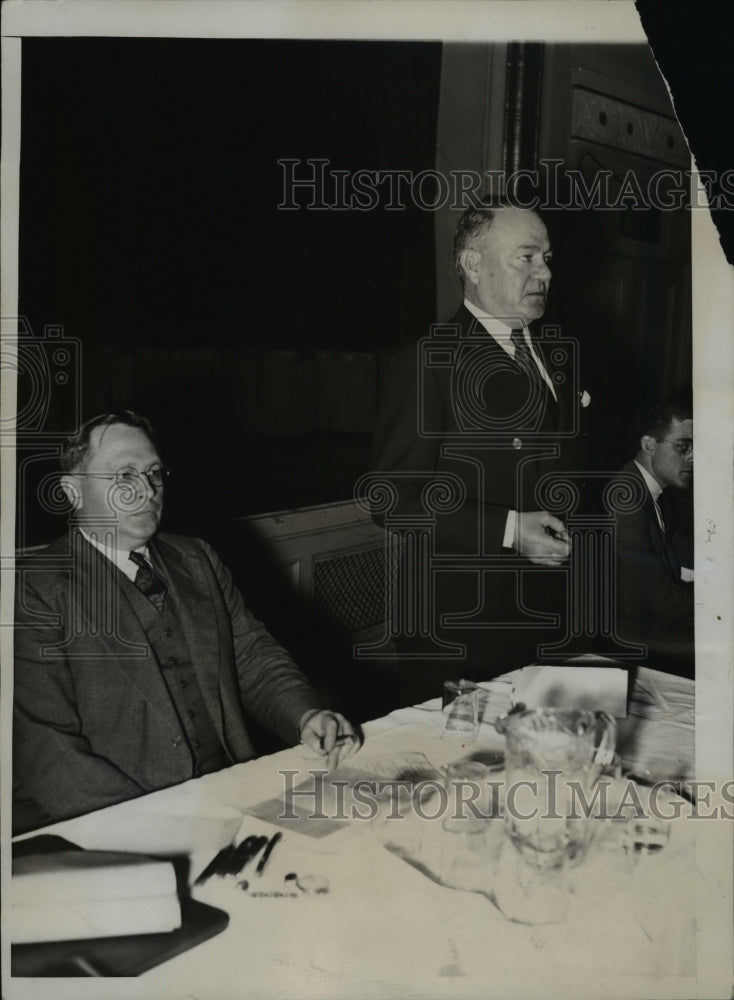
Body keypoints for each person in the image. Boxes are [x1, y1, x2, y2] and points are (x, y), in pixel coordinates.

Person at [13, 412, 359, 832]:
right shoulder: (34, 589)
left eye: (154, 472)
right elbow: (50, 751)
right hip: (121, 819)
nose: (147, 491)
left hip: (231, 790)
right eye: (124, 476)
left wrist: (305, 716)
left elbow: (252, 657)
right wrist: (153, 828)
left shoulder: (195, 558)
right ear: (73, 492)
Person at [371, 201, 583, 704]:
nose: (545, 272)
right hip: (463, 631)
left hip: (553, 618)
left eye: (547, 257)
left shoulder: (557, 354)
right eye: (526, 257)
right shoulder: (430, 361)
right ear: (472, 265)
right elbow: (393, 500)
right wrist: (512, 530)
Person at [613, 395, 694, 676]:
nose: (693, 457)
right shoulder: (625, 497)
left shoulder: (653, 492)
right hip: (634, 649)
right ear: (649, 445)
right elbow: (659, 601)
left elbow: (686, 552)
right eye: (683, 446)